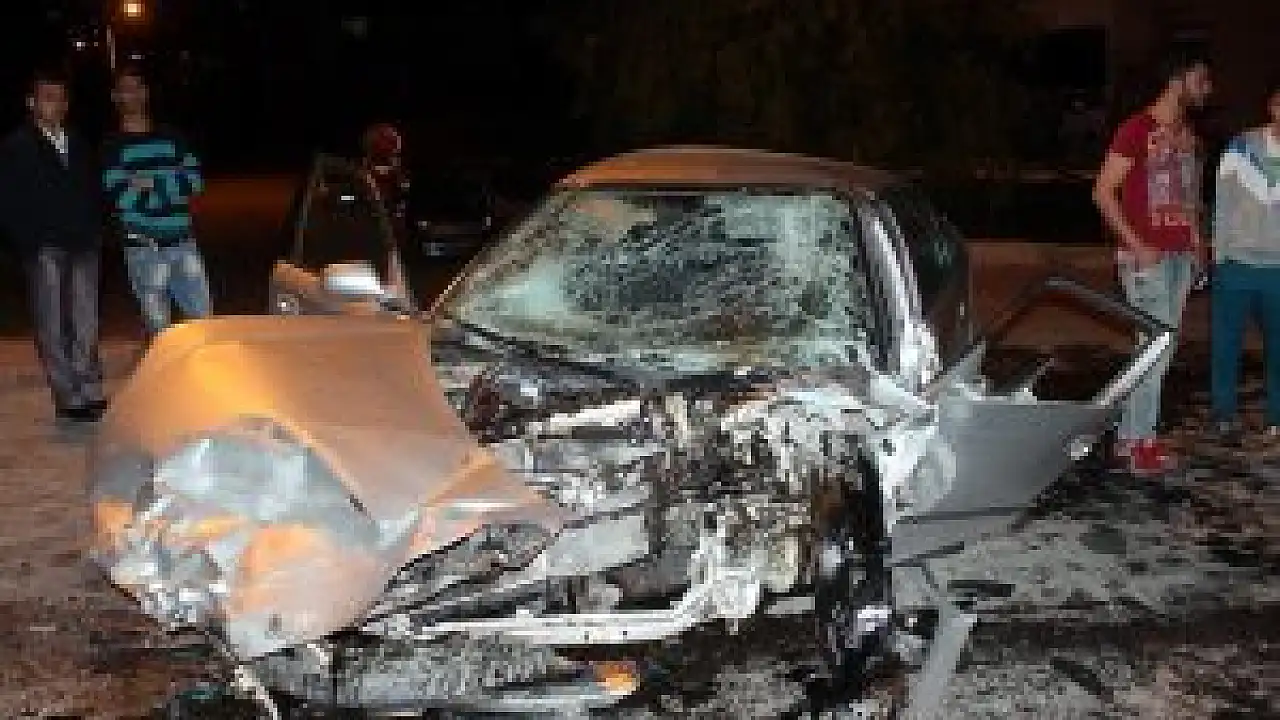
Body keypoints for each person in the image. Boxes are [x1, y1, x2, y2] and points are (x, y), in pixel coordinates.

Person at [1092, 51, 1214, 474]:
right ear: (1178, 79)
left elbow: (1187, 196)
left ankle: (1132, 438)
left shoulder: (1187, 135)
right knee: (1154, 351)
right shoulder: (1136, 129)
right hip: (1148, 259)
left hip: (1179, 256)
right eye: (1201, 79)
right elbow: (1103, 191)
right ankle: (1139, 441)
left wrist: (1197, 242)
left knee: (1159, 349)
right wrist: (1137, 244)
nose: (1207, 88)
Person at [0, 70, 106, 423]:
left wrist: (96, 229)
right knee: (52, 322)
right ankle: (67, 395)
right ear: (31, 102)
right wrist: (29, 241)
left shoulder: (77, 141)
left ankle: (89, 387)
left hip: (83, 242)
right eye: (48, 97)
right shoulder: (16, 146)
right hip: (45, 246)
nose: (56, 105)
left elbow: (93, 188)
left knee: (86, 319)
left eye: (61, 98)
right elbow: (8, 201)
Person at [101, 65, 212, 340]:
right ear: (115, 97)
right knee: (161, 335)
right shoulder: (111, 146)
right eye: (125, 89)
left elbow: (195, 182)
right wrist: (171, 183)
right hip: (143, 249)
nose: (133, 94)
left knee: (205, 325)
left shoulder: (173, 137)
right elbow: (121, 198)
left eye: (137, 87)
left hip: (183, 244)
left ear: (146, 92)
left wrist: (150, 183)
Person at [1208, 76, 1280, 447]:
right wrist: (1219, 256)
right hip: (1236, 264)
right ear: (1273, 106)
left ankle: (1277, 418)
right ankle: (1223, 414)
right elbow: (1222, 200)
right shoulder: (1242, 146)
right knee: (1226, 345)